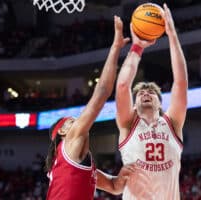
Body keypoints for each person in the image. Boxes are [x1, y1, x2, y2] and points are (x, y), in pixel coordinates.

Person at [45, 16, 135, 200]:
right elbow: (102, 91)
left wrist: (123, 176)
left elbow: (113, 187)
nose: (78, 121)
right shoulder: (70, 141)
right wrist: (116, 47)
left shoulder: (74, 163)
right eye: (72, 121)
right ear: (62, 131)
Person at [116, 4, 188, 200]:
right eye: (140, 93)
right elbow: (122, 85)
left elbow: (181, 83)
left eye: (151, 92)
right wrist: (137, 47)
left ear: (160, 103)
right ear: (133, 105)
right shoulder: (128, 123)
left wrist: (172, 35)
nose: (145, 93)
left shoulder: (172, 122)